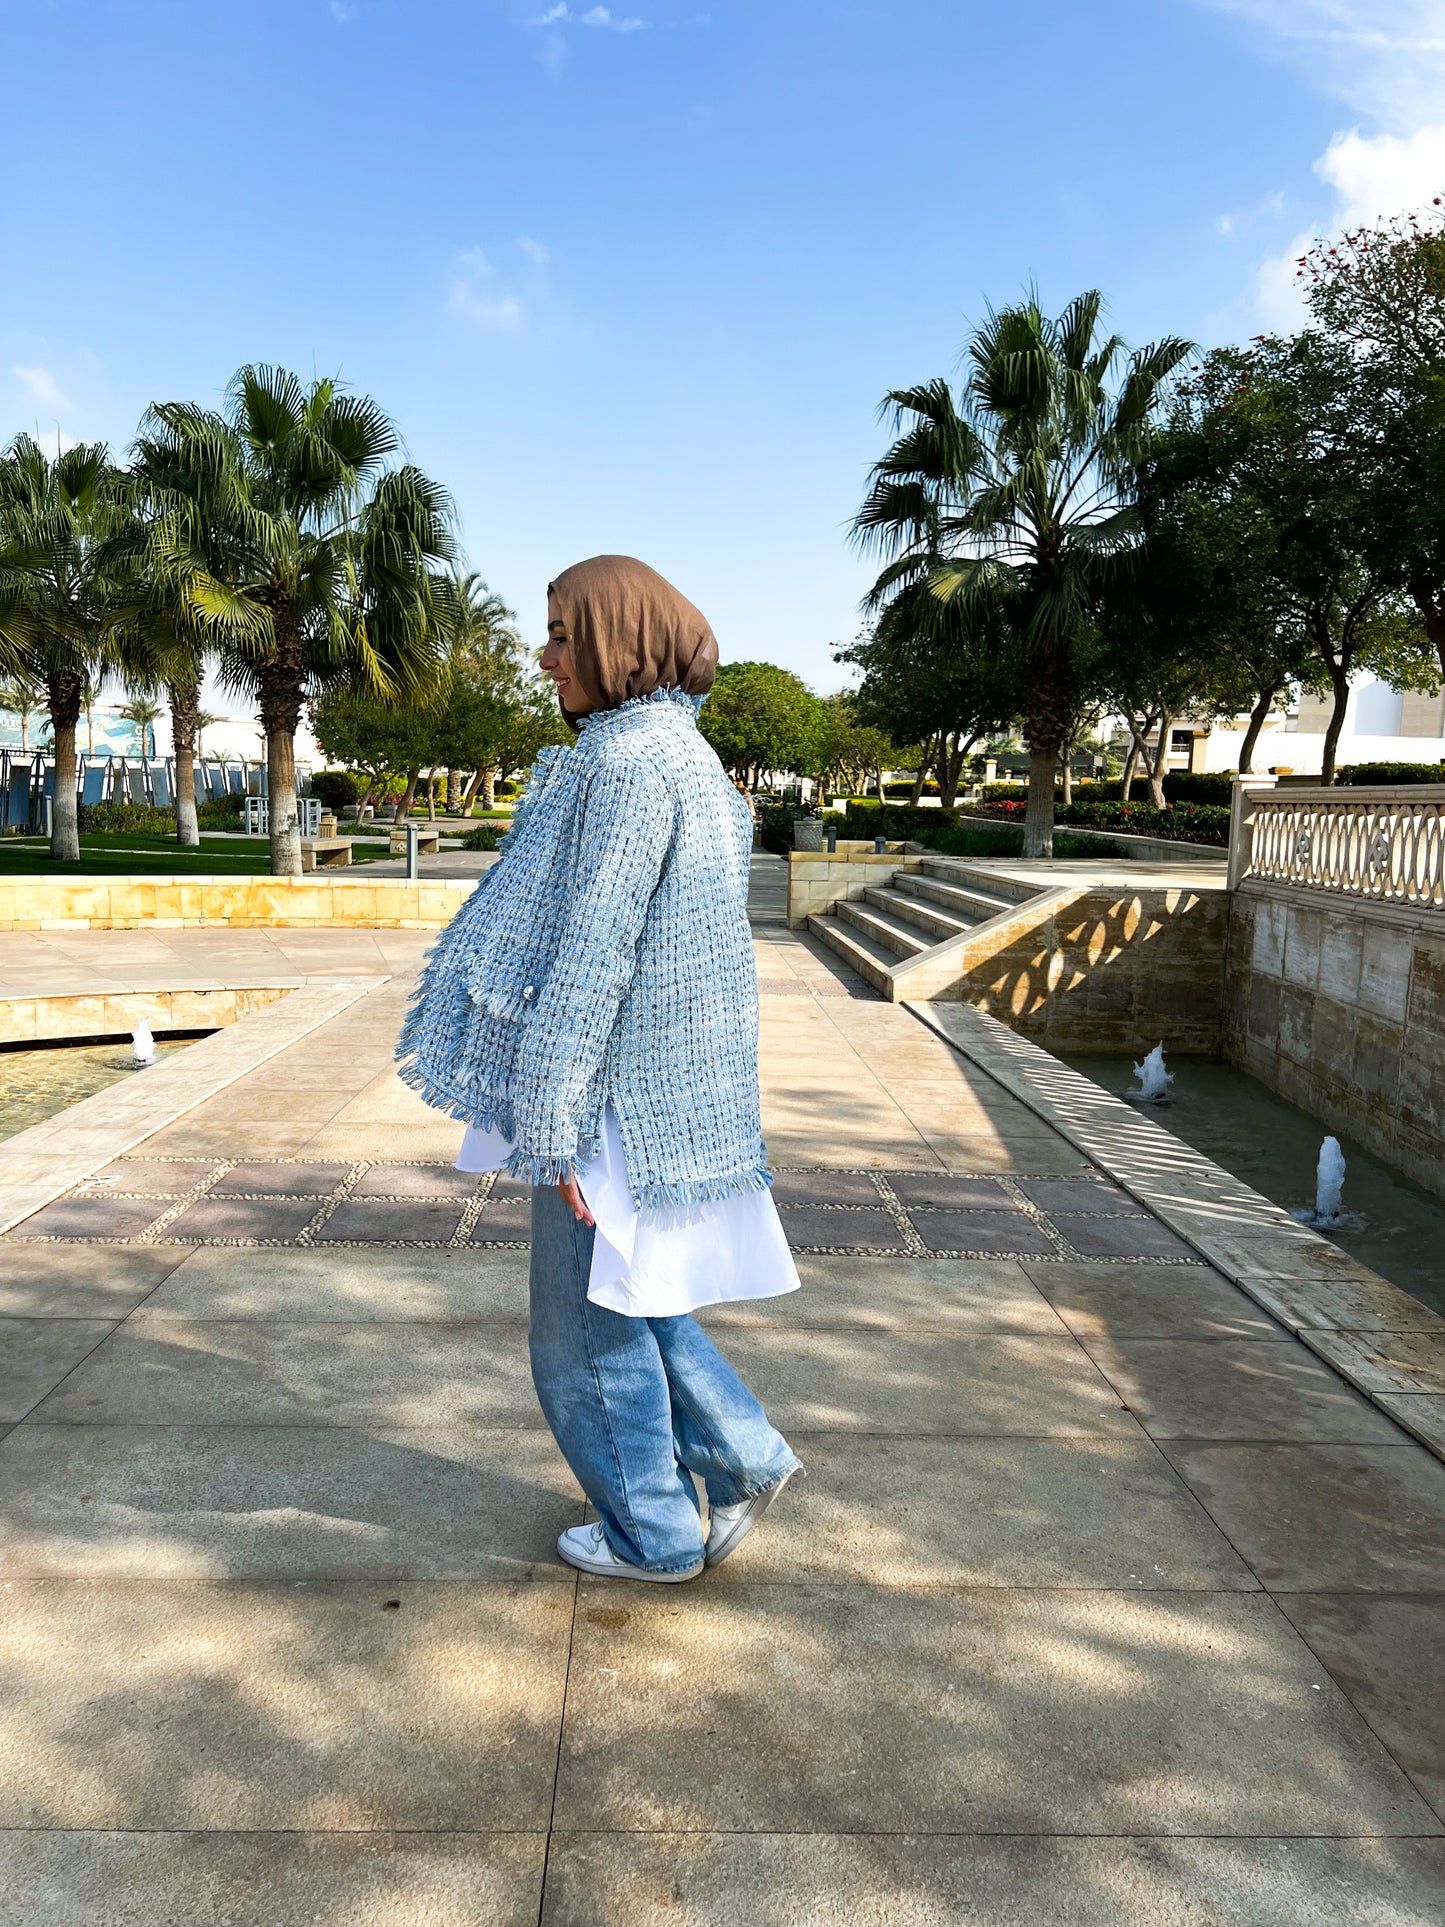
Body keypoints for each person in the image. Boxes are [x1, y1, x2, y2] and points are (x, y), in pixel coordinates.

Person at [398, 555, 801, 1582]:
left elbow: (593, 953)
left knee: (579, 1338)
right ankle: (742, 1455)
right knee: (631, 1296)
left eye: (562, 635)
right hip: (659, 1093)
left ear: (618, 636)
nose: (546, 658)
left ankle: (651, 1533)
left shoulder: (621, 766)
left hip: (605, 1094)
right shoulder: (688, 759)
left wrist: (552, 1120)